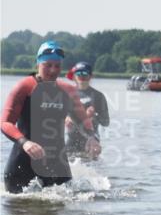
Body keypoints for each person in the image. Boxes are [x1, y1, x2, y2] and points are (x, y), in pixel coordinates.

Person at [2, 41, 99, 193]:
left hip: (57, 166)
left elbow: (83, 121)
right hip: (22, 164)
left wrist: (92, 138)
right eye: (48, 65)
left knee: (64, 211)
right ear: (37, 65)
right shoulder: (24, 87)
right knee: (20, 214)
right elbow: (5, 123)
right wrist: (25, 143)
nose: (53, 70)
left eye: (57, 66)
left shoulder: (67, 91)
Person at [65, 62, 110, 159]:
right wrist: (66, 118)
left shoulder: (98, 96)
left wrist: (95, 115)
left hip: (91, 138)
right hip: (72, 139)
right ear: (74, 76)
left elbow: (106, 122)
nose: (81, 76)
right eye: (78, 73)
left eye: (85, 73)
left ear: (90, 76)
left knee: (92, 171)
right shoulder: (68, 94)